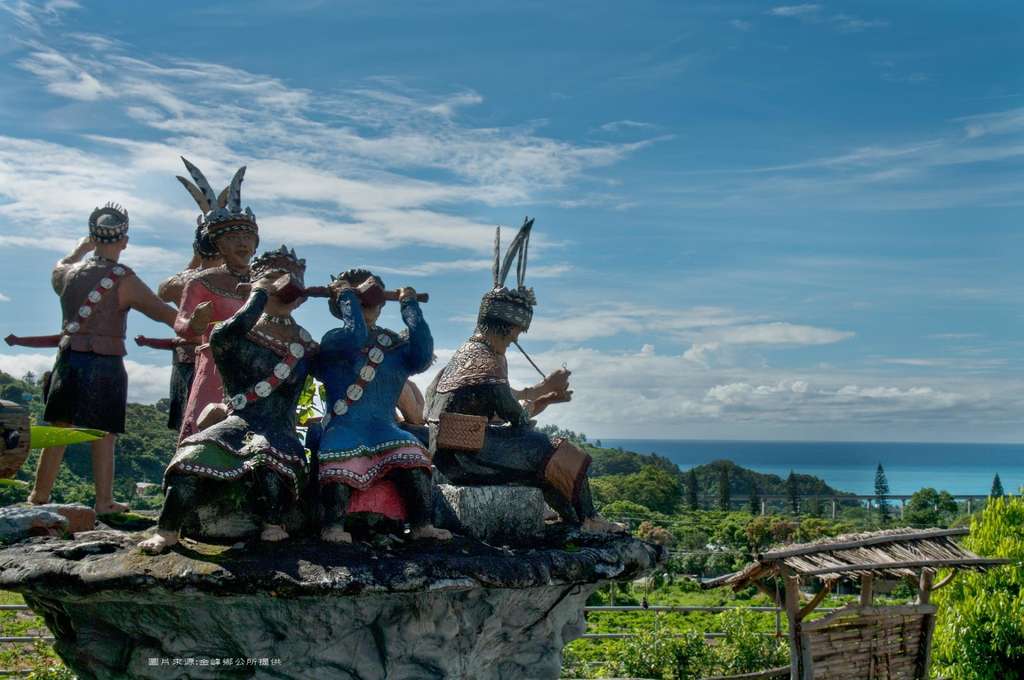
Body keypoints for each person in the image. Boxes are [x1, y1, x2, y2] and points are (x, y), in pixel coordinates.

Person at [424, 218, 623, 533]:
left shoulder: (462, 356)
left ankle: (574, 518)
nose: (516, 339)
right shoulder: (487, 362)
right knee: (558, 449)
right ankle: (588, 518)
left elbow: (493, 401)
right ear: (509, 329)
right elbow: (515, 417)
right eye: (516, 332)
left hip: (448, 457)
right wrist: (541, 401)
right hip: (467, 457)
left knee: (537, 460)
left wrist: (541, 395)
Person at [140, 246, 316, 554]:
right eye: (274, 278)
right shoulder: (235, 333)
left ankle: (274, 524)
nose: (284, 285)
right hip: (238, 423)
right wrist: (258, 296)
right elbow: (224, 335)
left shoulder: (306, 343)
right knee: (191, 461)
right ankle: (167, 531)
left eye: (292, 280)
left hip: (279, 430)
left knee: (271, 468)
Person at [28, 203, 177, 514]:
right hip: (106, 361)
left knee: (59, 426)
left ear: (92, 237)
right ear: (124, 240)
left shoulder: (67, 274)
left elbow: (62, 263)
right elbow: (165, 314)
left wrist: (79, 248)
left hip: (68, 358)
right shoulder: (125, 279)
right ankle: (104, 501)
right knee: (105, 432)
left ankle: (39, 496)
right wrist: (195, 327)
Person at [313, 269, 450, 543]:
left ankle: (422, 525)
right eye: (359, 299)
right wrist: (348, 296)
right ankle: (333, 526)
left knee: (412, 455)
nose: (368, 304)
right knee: (338, 460)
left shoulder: (392, 345)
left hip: (384, 428)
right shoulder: (334, 340)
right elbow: (354, 336)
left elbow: (422, 355)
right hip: (345, 426)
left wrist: (410, 306)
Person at [172, 158, 259, 441]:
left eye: (248, 237)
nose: (243, 244)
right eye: (234, 238)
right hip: (214, 365)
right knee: (203, 432)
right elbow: (181, 325)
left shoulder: (265, 282)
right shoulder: (201, 282)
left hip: (258, 367)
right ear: (219, 245)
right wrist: (196, 323)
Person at [155, 225, 224, 431]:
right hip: (212, 362)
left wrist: (195, 259)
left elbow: (163, 291)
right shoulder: (233, 282)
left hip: (195, 360)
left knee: (188, 426)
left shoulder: (185, 280)